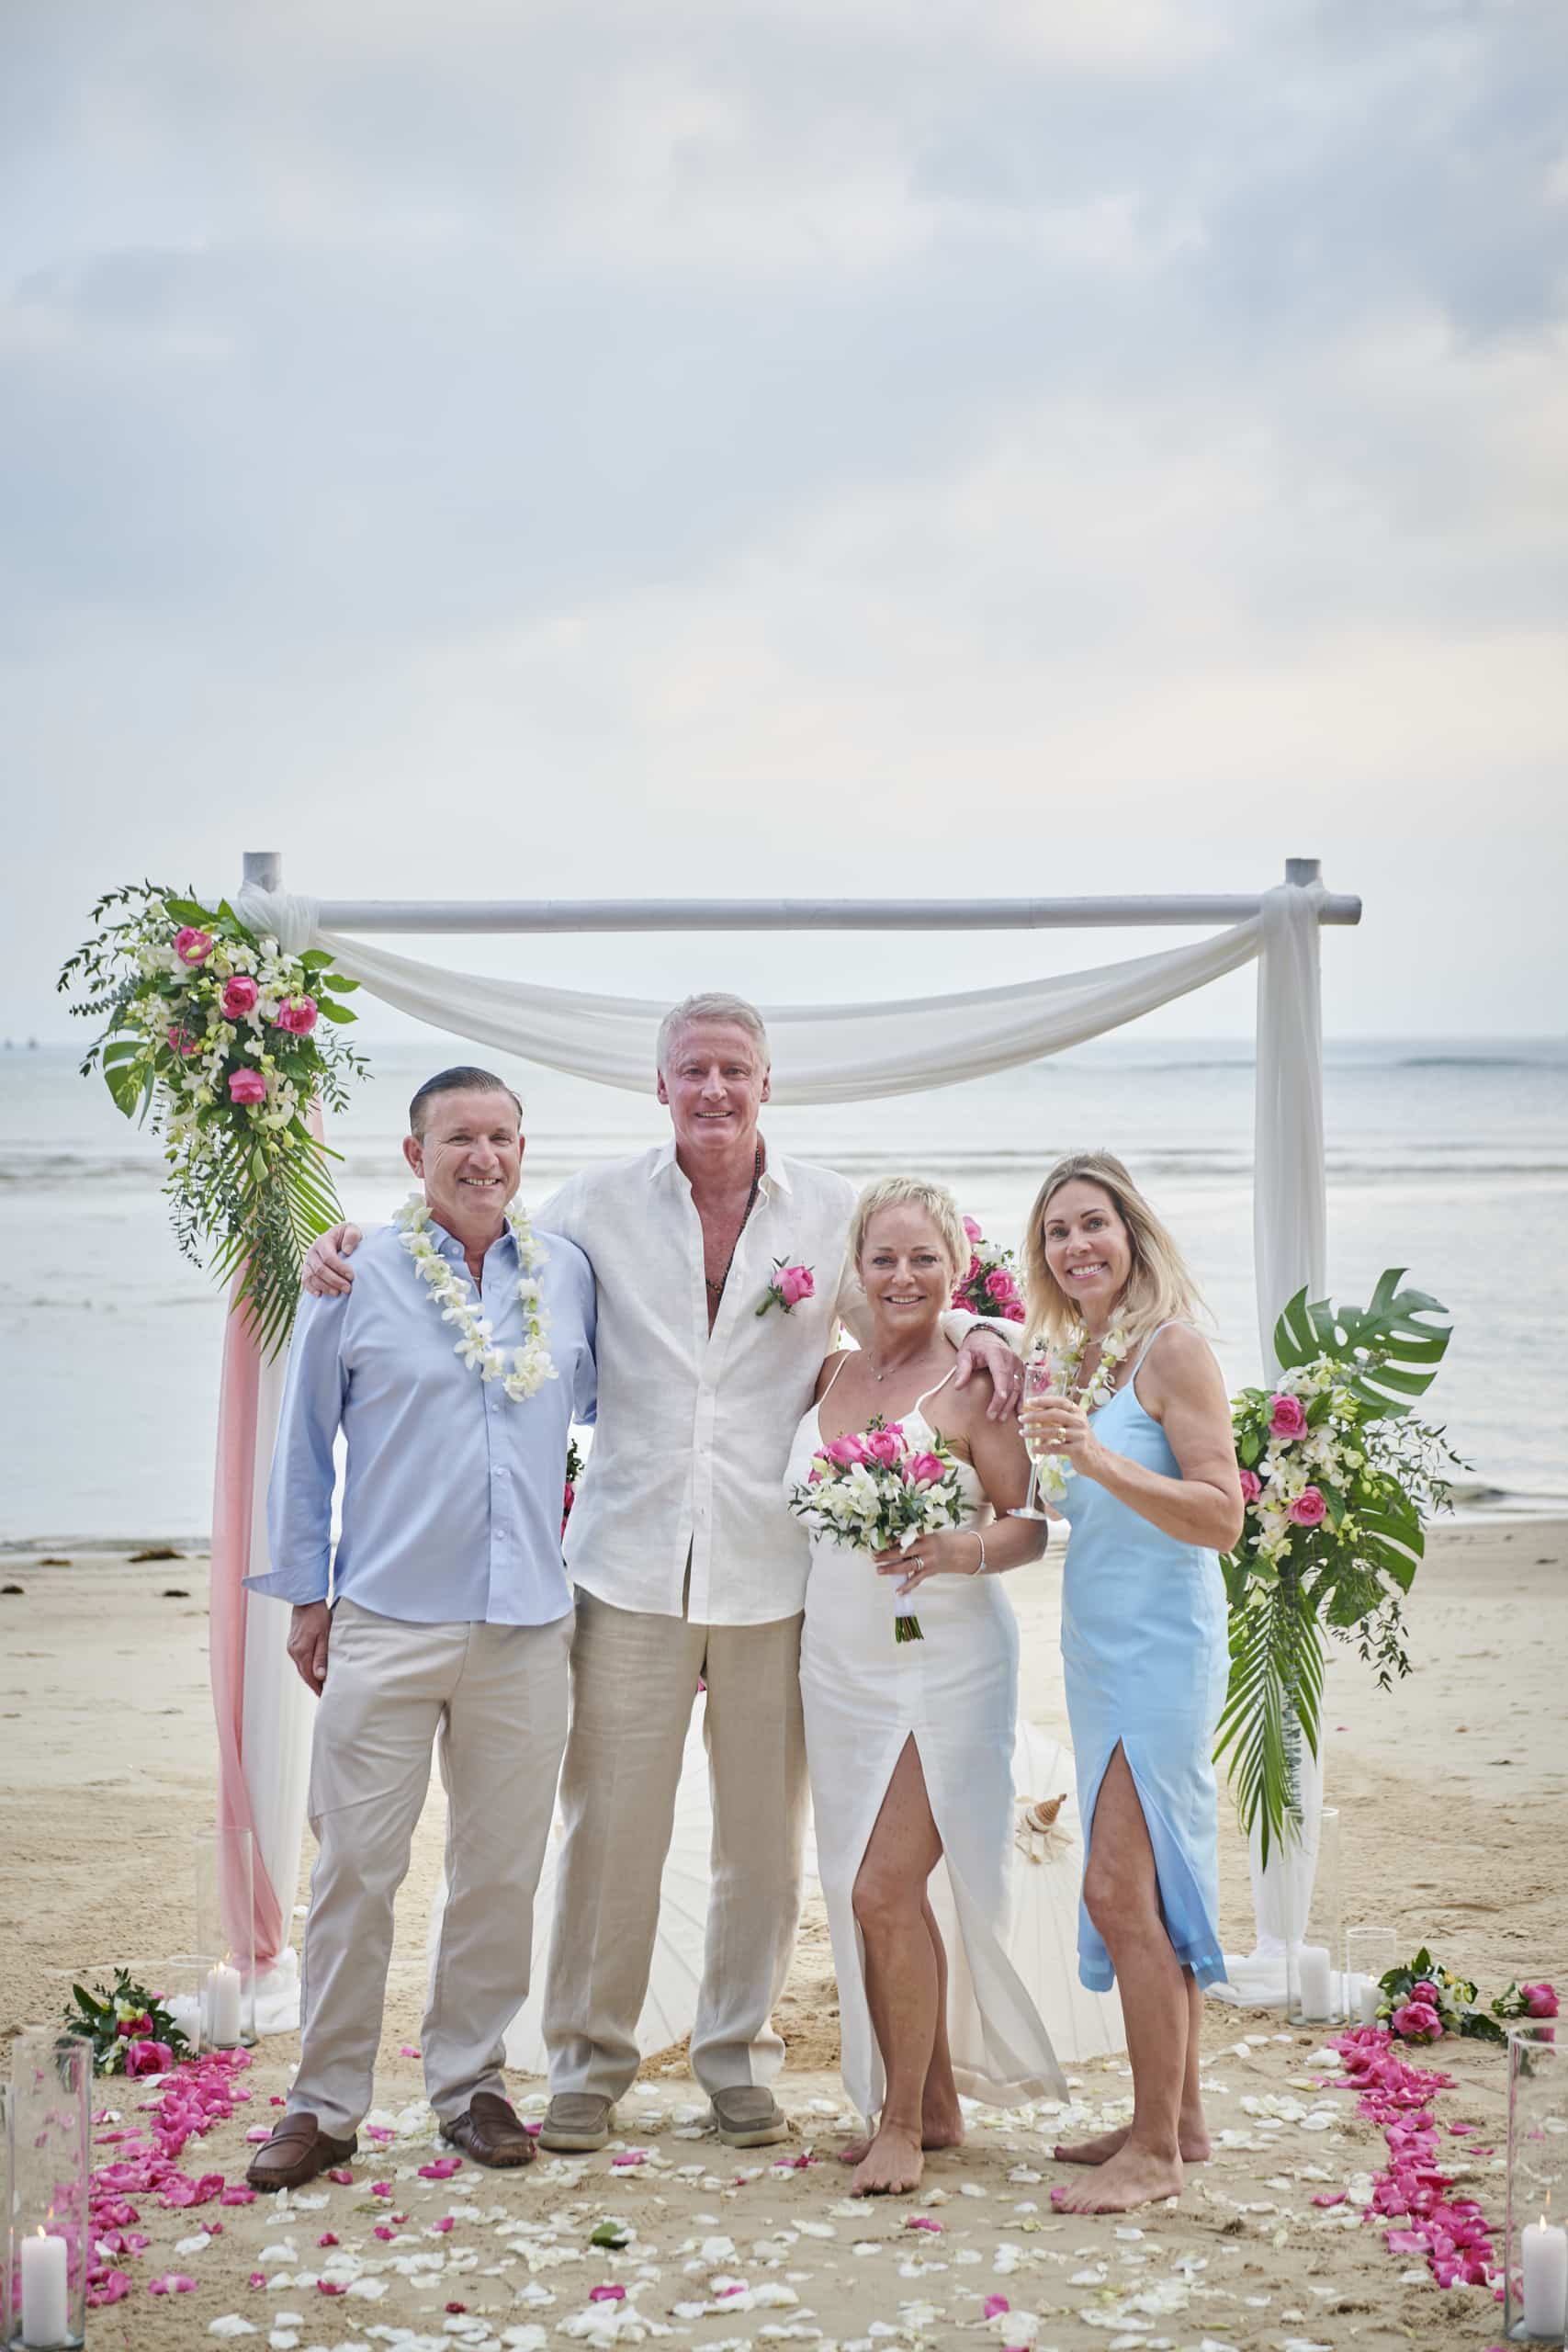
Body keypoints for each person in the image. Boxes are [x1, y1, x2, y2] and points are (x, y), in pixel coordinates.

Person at [300, 995, 1021, 2154]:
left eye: (736, 1069)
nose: (715, 1091)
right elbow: (475, 1248)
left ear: (768, 1083)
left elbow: (908, 1303)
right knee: (609, 1828)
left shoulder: (832, 1213)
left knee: (759, 1835)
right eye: (694, 1070)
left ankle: (737, 2055)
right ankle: (590, 2060)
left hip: (773, 1568)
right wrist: (342, 1247)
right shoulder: (591, 1205)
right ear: (661, 1086)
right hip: (624, 1563)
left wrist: (994, 1329)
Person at [243, 1068, 596, 2191]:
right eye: (458, 1138)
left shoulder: (570, 1276)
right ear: (414, 1154)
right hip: (388, 1619)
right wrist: (308, 1595)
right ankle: (325, 2102)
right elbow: (301, 1447)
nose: (482, 1157)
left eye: (500, 1136)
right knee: (355, 1864)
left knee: (500, 1868)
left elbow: (652, 1405)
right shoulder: (355, 1276)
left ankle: (472, 2084)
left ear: (523, 1149)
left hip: (529, 1626)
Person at [784, 1177, 1069, 2197]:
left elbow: (1030, 1523)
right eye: (883, 1259)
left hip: (945, 1668)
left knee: (883, 1888)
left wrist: (957, 1550)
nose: (902, 1277)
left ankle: (900, 2120)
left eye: (923, 1259)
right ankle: (937, 2101)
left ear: (956, 1264)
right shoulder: (825, 1376)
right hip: (840, 1667)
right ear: (856, 1270)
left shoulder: (975, 1381)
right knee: (863, 1899)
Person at [1018, 1150, 1243, 2215]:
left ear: (1133, 1232)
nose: (1076, 1246)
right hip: (1097, 1644)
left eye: (1093, 1223)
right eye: (1058, 1231)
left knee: (1118, 1889)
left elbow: (1221, 1514)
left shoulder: (1172, 1349)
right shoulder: (1086, 1358)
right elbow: (1081, 1511)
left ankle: (1153, 2150)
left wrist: (1100, 1462)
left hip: (1162, 1648)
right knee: (1146, 1888)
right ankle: (1180, 2115)